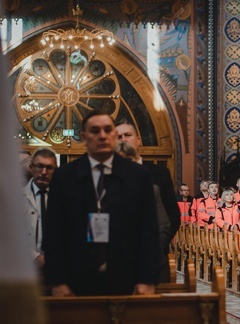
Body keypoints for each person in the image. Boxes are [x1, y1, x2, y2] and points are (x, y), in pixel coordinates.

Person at [44, 110, 161, 296]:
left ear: (115, 135)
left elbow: (149, 232)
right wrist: (56, 281)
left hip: (127, 278)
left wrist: (147, 279)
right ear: (83, 137)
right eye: (95, 131)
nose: (102, 136)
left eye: (108, 130)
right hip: (77, 280)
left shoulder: (138, 176)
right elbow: (54, 232)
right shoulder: (64, 177)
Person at [115, 141, 172, 283]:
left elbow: (163, 229)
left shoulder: (152, 191)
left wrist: (144, 252)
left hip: (147, 263)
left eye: (128, 161)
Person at [116, 121, 181, 239]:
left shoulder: (160, 174)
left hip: (153, 251)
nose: (123, 139)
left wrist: (154, 247)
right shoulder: (107, 175)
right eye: (118, 137)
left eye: (128, 135)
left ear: (138, 140)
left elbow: (172, 215)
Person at [22, 147, 57, 271]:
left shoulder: (64, 197)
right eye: (39, 166)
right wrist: (35, 257)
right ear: (32, 168)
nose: (43, 172)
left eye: (49, 168)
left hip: (56, 267)